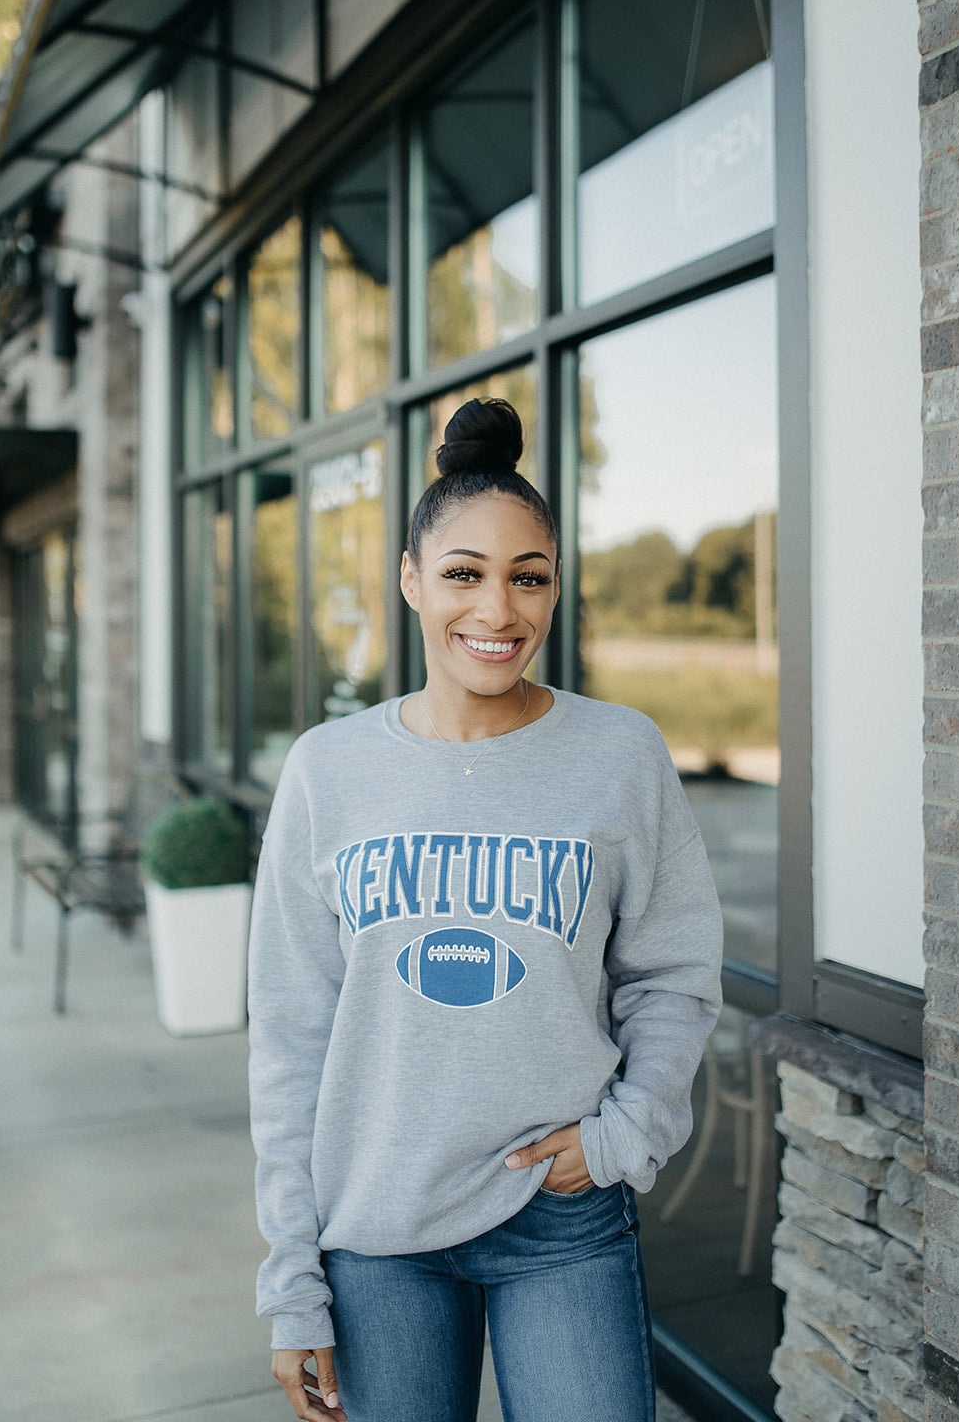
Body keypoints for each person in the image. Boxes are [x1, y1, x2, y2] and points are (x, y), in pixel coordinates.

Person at [248, 397, 723, 1422]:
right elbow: (291, 1038)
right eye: (462, 572)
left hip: (560, 1218)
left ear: (554, 589)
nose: (495, 611)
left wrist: (620, 1136)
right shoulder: (328, 769)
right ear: (411, 580)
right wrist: (292, 1280)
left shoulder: (618, 752)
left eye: (527, 577)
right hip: (375, 1226)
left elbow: (672, 973)